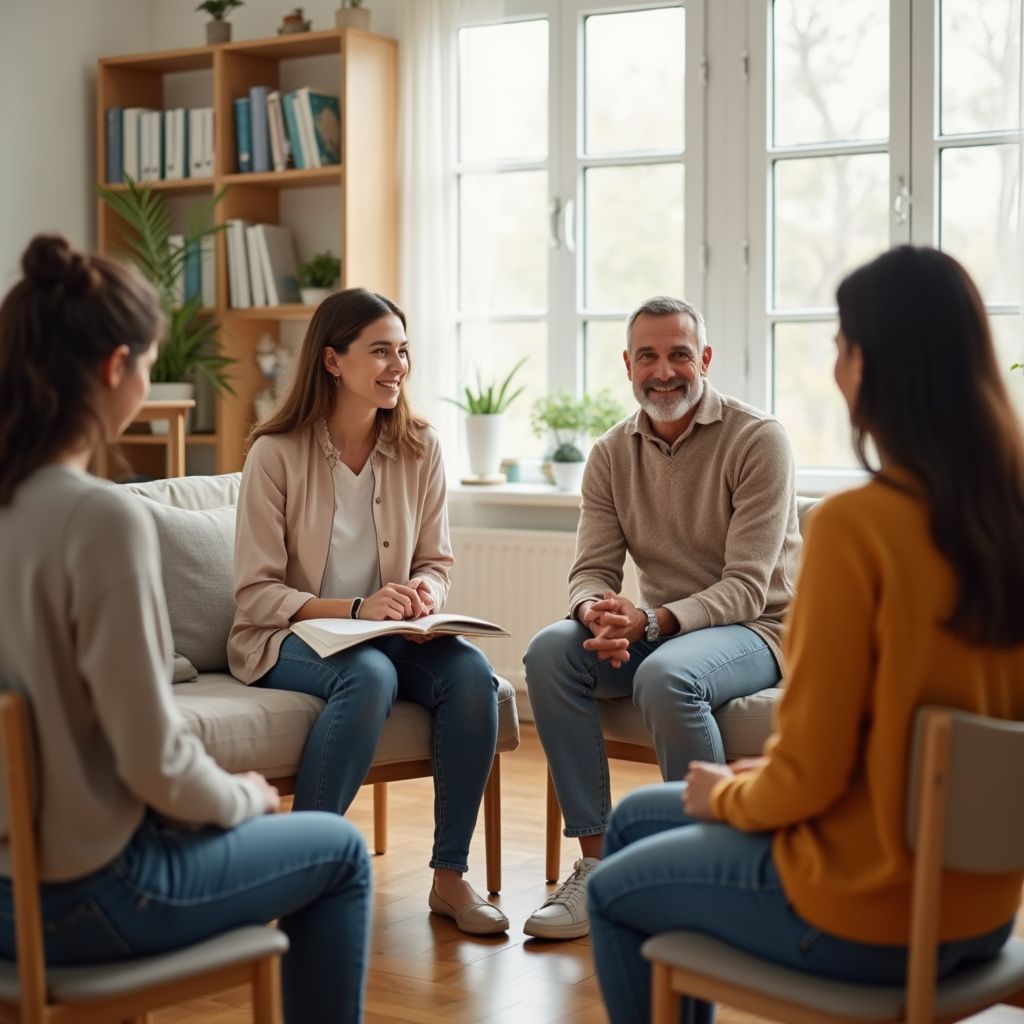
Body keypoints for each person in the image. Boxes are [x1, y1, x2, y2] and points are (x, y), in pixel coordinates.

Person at [586, 246, 1024, 1024]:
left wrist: (733, 792)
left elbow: (810, 776)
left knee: (614, 892)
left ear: (876, 367)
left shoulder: (860, 528)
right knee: (634, 819)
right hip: (984, 913)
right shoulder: (1007, 516)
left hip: (862, 904)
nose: (837, 368)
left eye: (842, 346)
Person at [0, 235, 371, 1024]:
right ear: (114, 368)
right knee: (337, 853)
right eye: (148, 365)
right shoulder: (98, 518)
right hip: (87, 896)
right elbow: (154, 762)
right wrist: (241, 799)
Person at [229, 287, 507, 936]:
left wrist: (424, 596)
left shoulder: (421, 448)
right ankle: (307, 876)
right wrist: (356, 606)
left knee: (472, 676)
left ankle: (449, 878)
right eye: (380, 351)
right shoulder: (275, 453)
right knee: (370, 676)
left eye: (404, 351)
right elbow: (256, 593)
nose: (398, 366)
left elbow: (438, 561)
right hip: (288, 636)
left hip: (388, 632)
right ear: (332, 361)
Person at [522, 296, 800, 939]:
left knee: (665, 676)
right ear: (628, 365)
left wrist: (650, 623)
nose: (664, 370)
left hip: (757, 631)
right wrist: (595, 611)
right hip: (661, 627)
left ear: (705, 359)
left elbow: (748, 590)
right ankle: (597, 866)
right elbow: (590, 569)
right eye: (648, 356)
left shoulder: (759, 439)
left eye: (679, 354)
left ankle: (697, 872)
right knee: (546, 651)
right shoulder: (610, 454)